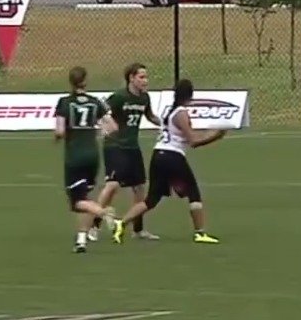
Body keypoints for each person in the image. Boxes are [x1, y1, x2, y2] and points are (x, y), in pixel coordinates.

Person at [111, 79, 224, 245]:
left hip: (158, 155)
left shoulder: (169, 111)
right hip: (172, 156)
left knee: (152, 199)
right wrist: (215, 136)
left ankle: (121, 223)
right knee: (193, 193)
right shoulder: (181, 113)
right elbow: (193, 141)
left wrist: (208, 134)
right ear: (190, 95)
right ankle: (200, 233)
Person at [89, 63, 162, 242]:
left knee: (139, 189)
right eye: (141, 77)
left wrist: (165, 123)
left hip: (132, 148)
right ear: (131, 78)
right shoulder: (119, 97)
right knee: (112, 185)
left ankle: (138, 230)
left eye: (146, 77)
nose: (145, 81)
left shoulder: (144, 98)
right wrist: (104, 127)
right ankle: (94, 225)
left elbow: (150, 116)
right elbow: (99, 111)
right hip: (115, 146)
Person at [53, 66, 118, 254]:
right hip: (92, 155)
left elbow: (60, 131)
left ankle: (104, 213)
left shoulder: (64, 102)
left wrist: (57, 138)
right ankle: (81, 240)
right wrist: (98, 133)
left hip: (75, 156)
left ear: (71, 82)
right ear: (85, 81)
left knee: (77, 202)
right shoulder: (95, 102)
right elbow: (113, 127)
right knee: (85, 198)